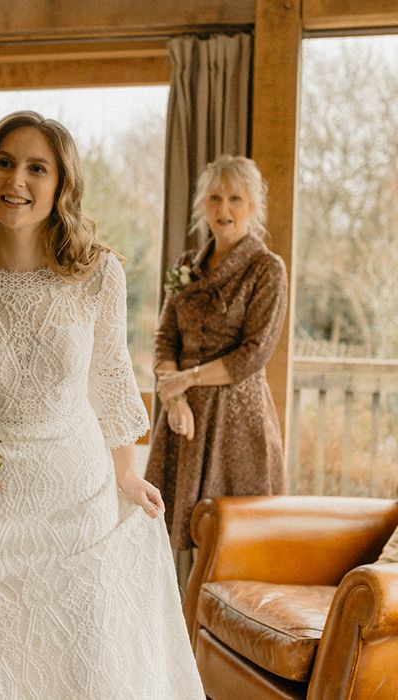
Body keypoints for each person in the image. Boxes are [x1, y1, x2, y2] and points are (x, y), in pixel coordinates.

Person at [0, 111, 204, 698]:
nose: (18, 180)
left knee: (81, 656)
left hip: (76, 490)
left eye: (38, 167)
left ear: (61, 185)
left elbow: (110, 379)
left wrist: (127, 477)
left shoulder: (97, 273)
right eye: (5, 163)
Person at [146, 154, 288, 583]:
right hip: (182, 418)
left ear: (253, 206)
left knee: (229, 545)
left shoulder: (267, 269)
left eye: (235, 199)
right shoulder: (186, 267)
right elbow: (164, 340)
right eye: (215, 198)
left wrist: (187, 379)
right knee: (161, 533)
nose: (224, 209)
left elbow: (254, 353)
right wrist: (174, 400)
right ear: (202, 205)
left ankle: (212, 638)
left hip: (236, 422)